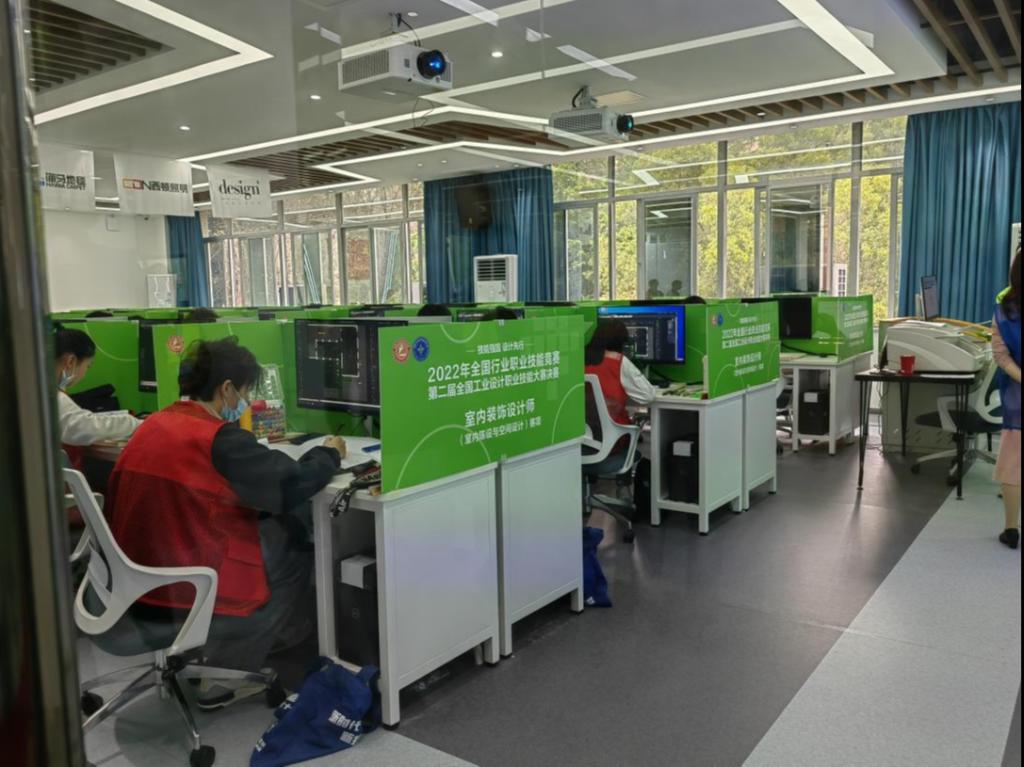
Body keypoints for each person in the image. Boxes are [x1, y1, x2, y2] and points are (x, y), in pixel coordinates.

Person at [106, 338, 347, 707]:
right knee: (293, 543)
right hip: (184, 585)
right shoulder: (218, 439)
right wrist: (329, 453)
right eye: (246, 392)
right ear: (227, 389)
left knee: (272, 529)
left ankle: (233, 649)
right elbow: (289, 484)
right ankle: (226, 673)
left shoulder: (154, 423)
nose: (245, 401)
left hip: (133, 583)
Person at [55, 327, 140, 450]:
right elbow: (84, 428)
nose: (85, 373)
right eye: (87, 366)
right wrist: (134, 423)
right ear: (71, 362)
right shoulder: (51, 397)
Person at [992, 246, 1021, 549]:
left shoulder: (1004, 311)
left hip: (1016, 396)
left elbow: (1000, 356)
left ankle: (1011, 529)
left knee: (1013, 463)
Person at [585, 319, 657, 432]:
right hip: (615, 434)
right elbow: (648, 395)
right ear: (620, 343)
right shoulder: (618, 361)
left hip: (583, 436)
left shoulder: (578, 358)